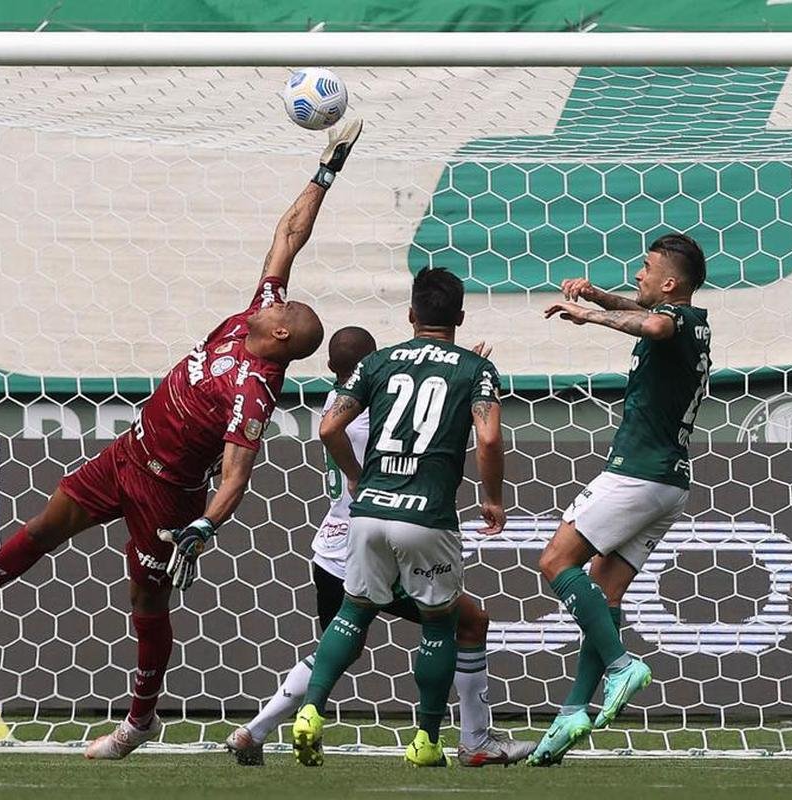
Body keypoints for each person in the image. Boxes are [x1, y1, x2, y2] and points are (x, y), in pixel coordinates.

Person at [0, 119, 364, 760]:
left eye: (281, 310)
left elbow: (235, 475)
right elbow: (288, 238)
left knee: (145, 602)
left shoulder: (255, 388)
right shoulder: (251, 313)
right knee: (46, 523)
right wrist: (325, 170)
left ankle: (140, 720)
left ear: (283, 338)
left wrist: (204, 525)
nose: (272, 300)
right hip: (126, 453)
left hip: (168, 495)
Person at [224, 326, 531, 767]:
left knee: (338, 644)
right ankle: (471, 739)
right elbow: (418, 417)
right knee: (465, 622)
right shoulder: (375, 417)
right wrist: (459, 372)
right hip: (387, 533)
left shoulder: (336, 403)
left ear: (333, 368)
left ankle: (254, 731)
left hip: (332, 545)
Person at [293, 267, 506, 769]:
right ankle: (427, 740)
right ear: (458, 315)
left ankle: (310, 712)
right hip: (427, 515)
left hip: (368, 513)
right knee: (439, 625)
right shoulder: (474, 368)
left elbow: (329, 428)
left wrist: (357, 477)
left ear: (411, 315)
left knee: (351, 613)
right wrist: (492, 498)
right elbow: (490, 438)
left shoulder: (378, 363)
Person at [529, 233, 711, 766]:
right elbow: (644, 310)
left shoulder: (675, 322)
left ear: (671, 282)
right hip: (668, 483)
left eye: (647, 267)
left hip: (636, 473)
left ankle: (620, 665)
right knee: (605, 595)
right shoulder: (691, 323)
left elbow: (652, 322)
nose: (639, 274)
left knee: (555, 561)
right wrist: (597, 297)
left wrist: (589, 318)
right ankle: (570, 714)